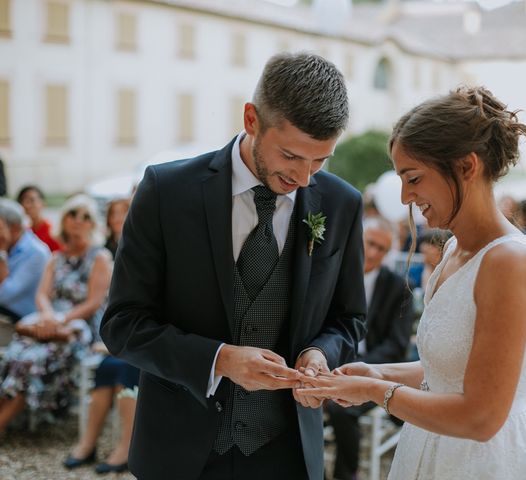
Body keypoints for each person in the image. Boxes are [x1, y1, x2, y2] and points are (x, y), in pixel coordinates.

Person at [100, 52, 366, 480]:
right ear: (251, 120)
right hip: (179, 451)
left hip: (288, 454)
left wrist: (320, 352)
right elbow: (122, 324)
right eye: (291, 156)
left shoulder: (342, 203)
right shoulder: (166, 191)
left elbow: (349, 319)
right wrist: (218, 360)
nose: (304, 178)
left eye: (320, 160)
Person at [299, 86, 526, 479]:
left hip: (482, 462)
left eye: (413, 178)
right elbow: (446, 372)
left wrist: (374, 393)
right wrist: (376, 372)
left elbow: (481, 417)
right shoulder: (454, 249)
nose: (404, 197)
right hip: (429, 444)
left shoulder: (508, 263)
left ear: (468, 166)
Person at [0, 194, 111, 433]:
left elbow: (93, 303)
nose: (78, 220)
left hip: (80, 325)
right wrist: (49, 315)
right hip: (49, 319)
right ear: (64, 219)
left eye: (85, 216)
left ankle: (2, 423)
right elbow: (41, 295)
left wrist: (60, 319)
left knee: (32, 360)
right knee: (14, 354)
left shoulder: (99, 258)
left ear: (93, 223)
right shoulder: (56, 257)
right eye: (73, 214)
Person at [326, 217, 413, 480]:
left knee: (342, 408)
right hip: (330, 361)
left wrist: (364, 371)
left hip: (374, 369)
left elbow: (397, 345)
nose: (373, 253)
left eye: (382, 249)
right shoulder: (333, 273)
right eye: (370, 244)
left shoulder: (399, 287)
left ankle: (346, 474)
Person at [64, 197, 136, 475]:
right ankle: (88, 443)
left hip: (151, 343)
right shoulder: (114, 248)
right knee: (107, 369)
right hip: (128, 335)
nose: (118, 218)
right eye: (114, 214)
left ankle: (126, 448)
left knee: (128, 371)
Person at [0, 199, 50, 327]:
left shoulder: (37, 252)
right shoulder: (9, 245)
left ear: (15, 228)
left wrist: (1, 252)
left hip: (21, 321)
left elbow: (4, 295)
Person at [17, 185, 62, 252]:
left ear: (43, 203)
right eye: (23, 201)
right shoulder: (24, 233)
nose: (27, 205)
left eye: (32, 200)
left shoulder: (53, 232)